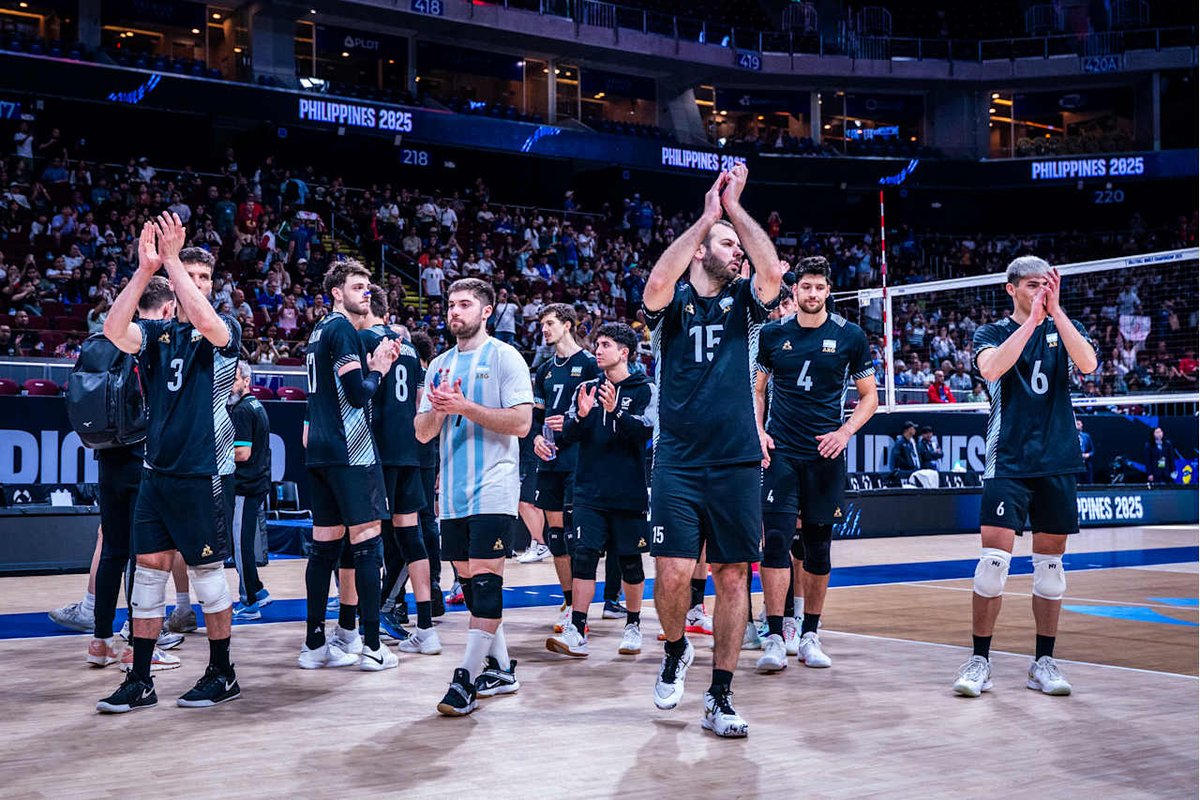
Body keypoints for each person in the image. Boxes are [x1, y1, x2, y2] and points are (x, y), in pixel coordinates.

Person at [642, 163, 784, 739]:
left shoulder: (747, 305)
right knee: (673, 573)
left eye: (738, 245)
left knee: (731, 577)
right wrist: (706, 218)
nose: (738, 252)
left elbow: (772, 270)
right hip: (676, 458)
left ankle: (721, 695)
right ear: (701, 251)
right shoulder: (670, 306)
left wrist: (736, 210)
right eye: (727, 244)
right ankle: (676, 648)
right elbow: (654, 286)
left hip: (735, 460)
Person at [97, 213, 243, 713]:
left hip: (201, 472)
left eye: (205, 278)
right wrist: (145, 270)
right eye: (190, 277)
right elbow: (112, 331)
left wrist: (175, 261)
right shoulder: (159, 335)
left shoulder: (224, 328)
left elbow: (207, 322)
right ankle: (140, 678)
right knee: (149, 576)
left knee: (208, 577)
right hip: (156, 474)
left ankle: (222, 672)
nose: (196, 284)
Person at [953, 256, 1097, 699]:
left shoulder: (1061, 327)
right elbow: (992, 368)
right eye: (1033, 285)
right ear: (1010, 288)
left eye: (1047, 285)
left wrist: (1055, 314)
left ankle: (1044, 662)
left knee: (1050, 571)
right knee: (992, 568)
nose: (1041, 291)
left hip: (1057, 461)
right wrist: (1032, 321)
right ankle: (980, 660)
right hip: (1008, 461)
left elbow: (1088, 365)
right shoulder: (992, 332)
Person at [753, 256, 877, 674]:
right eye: (805, 286)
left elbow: (869, 397)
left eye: (819, 288)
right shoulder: (772, 335)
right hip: (782, 451)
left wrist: (844, 433)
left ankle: (810, 634)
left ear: (828, 292)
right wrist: (758, 430)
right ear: (795, 290)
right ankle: (773, 635)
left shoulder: (850, 335)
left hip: (825, 454)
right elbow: (757, 389)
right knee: (775, 542)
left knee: (818, 546)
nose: (812, 294)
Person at [415, 278, 533, 717]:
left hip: (495, 485)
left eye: (464, 304)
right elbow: (422, 432)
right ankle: (502, 668)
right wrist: (440, 411)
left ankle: (464, 677)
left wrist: (465, 408)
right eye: (450, 304)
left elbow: (522, 423)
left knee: (485, 580)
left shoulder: (506, 357)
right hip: (453, 490)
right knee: (469, 581)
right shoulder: (439, 366)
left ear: (486, 311)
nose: (454, 312)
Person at [299, 259, 400, 671]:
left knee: (324, 548)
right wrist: (378, 368)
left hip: (320, 452)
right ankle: (372, 646)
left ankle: (314, 644)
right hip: (350, 451)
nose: (367, 293)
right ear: (336, 292)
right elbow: (359, 394)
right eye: (358, 286)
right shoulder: (342, 330)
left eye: (369, 286)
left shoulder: (318, 330)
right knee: (367, 543)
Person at [545, 323, 654, 658]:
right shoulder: (588, 388)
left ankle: (634, 624)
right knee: (584, 559)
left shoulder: (644, 388)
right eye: (597, 344)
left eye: (605, 345)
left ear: (624, 352)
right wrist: (578, 417)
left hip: (628, 490)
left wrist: (614, 412)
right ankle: (578, 627)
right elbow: (564, 438)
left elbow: (645, 432)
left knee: (631, 562)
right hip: (589, 491)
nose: (598, 350)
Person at [357, 285, 440, 655]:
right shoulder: (408, 347)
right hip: (411, 452)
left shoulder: (361, 340)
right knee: (412, 536)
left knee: (368, 537)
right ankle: (425, 627)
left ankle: (368, 625)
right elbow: (420, 400)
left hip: (377, 453)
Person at [526, 304, 601, 634]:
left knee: (575, 535)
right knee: (555, 536)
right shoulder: (543, 370)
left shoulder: (588, 364)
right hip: (550, 459)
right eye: (542, 324)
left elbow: (598, 413)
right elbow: (537, 419)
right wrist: (535, 440)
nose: (544, 329)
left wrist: (571, 421)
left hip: (579, 459)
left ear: (568, 325)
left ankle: (582, 611)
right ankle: (569, 602)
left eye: (550, 323)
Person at [227, 360, 274, 620]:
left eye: (234, 379)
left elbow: (242, 453)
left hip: (246, 485)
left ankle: (249, 601)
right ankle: (258, 589)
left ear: (246, 380)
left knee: (240, 543)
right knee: (242, 540)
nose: (230, 385)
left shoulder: (243, 410)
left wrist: (217, 452)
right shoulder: (256, 405)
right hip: (256, 482)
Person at [1076, 420, 1095, 484]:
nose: (1077, 425)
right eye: (1076, 424)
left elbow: (1092, 451)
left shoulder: (1086, 436)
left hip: (1086, 463)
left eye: (1079, 424)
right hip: (1076, 463)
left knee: (1088, 481)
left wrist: (1088, 455)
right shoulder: (1071, 436)